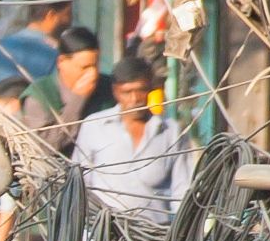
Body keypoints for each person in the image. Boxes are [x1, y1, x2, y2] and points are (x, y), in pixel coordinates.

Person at [68, 67, 193, 220]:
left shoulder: (170, 131)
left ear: (150, 90)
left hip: (153, 236)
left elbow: (182, 189)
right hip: (104, 235)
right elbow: (80, 185)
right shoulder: (94, 126)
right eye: (127, 92)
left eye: (140, 91)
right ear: (116, 92)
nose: (134, 99)